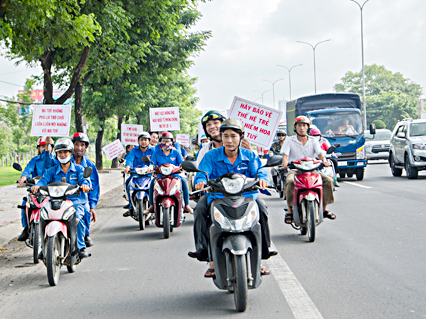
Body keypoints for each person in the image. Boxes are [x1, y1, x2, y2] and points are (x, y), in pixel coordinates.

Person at [189, 118, 277, 278]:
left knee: (262, 208)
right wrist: (200, 181)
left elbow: (260, 171)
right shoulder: (211, 156)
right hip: (217, 196)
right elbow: (202, 172)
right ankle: (206, 254)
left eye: (233, 136)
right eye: (226, 136)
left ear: (241, 137)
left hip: (246, 196)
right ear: (220, 137)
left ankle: (263, 252)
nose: (229, 140)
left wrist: (263, 178)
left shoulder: (249, 155)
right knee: (200, 209)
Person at [31, 138, 91, 259]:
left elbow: (85, 179)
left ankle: (80, 247)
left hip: (75, 202)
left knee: (77, 220)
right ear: (56, 154)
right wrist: (36, 186)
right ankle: (44, 247)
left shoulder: (78, 169)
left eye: (65, 152)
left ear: (70, 153)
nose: (62, 155)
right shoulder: (51, 170)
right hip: (55, 201)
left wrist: (85, 185)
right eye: (59, 152)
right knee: (43, 217)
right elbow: (43, 180)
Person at [281, 116, 336, 224]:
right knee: (290, 182)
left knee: (328, 181)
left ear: (308, 127)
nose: (302, 128)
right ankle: (290, 210)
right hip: (296, 170)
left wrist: (324, 161)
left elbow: (320, 154)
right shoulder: (289, 140)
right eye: (299, 125)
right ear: (295, 127)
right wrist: (284, 162)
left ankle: (324, 209)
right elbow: (285, 155)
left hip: (312, 170)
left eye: (304, 126)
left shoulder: (313, 140)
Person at [17, 137, 55, 241]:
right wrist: (24, 176)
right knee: (25, 203)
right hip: (35, 190)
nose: (45, 148)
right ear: (38, 148)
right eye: (42, 146)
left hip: (50, 191)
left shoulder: (55, 160)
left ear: (51, 147)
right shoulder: (34, 160)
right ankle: (26, 228)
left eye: (47, 146)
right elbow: (27, 169)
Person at [144, 131, 193, 214]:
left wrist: (184, 167)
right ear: (160, 142)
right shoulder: (156, 153)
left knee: (184, 181)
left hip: (175, 175)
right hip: (160, 175)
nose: (165, 143)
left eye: (167, 141)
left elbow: (181, 163)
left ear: (172, 142)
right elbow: (152, 163)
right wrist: (150, 167)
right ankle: (151, 206)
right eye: (163, 141)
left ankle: (187, 205)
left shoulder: (176, 153)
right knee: (152, 182)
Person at [71, 132, 99, 247]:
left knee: (86, 210)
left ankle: (85, 235)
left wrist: (92, 206)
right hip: (65, 196)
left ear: (86, 147)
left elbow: (95, 186)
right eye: (76, 144)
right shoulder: (65, 162)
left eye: (82, 145)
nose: (79, 148)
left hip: (82, 198)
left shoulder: (90, 165)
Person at [123, 132, 155, 217]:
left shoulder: (153, 150)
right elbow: (130, 159)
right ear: (138, 141)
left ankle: (154, 205)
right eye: (141, 140)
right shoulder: (134, 150)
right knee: (128, 183)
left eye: (145, 140)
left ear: (149, 141)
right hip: (136, 174)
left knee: (155, 186)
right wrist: (128, 167)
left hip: (148, 175)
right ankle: (131, 206)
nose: (143, 142)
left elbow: (155, 160)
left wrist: (152, 166)